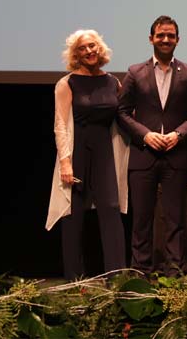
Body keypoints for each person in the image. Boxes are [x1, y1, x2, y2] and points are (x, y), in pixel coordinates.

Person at [117, 16, 187, 276]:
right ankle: (140, 271)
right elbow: (122, 112)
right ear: (151, 39)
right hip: (144, 154)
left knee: (175, 219)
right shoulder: (135, 72)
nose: (165, 39)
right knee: (141, 219)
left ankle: (174, 272)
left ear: (178, 39)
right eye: (160, 35)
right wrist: (145, 135)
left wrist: (178, 135)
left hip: (177, 155)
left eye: (170, 35)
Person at [46, 30, 128, 280]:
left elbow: (123, 117)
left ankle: (117, 276)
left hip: (105, 149)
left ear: (100, 48)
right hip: (78, 149)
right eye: (82, 48)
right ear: (75, 54)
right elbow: (60, 124)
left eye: (92, 46)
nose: (89, 51)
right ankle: (75, 278)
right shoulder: (67, 83)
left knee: (111, 209)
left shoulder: (113, 82)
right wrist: (65, 162)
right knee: (74, 214)